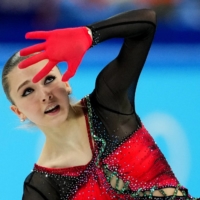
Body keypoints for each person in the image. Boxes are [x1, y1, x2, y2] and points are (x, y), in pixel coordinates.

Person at [2, 9, 199, 200]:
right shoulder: (42, 188)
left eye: (49, 79)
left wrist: (89, 35)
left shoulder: (107, 103)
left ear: (66, 82)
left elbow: (146, 23)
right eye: (28, 91)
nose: (45, 95)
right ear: (18, 111)